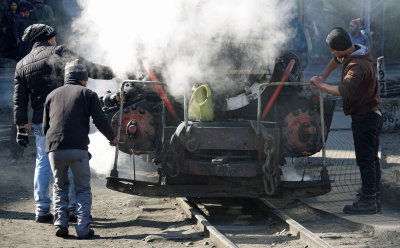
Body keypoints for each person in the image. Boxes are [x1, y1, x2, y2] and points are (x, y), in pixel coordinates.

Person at [13, 23, 115, 223]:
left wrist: (20, 127)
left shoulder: (21, 64)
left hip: (40, 122)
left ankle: (42, 210)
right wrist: (113, 72)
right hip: (65, 117)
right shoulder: (58, 52)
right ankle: (71, 210)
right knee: (68, 164)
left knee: (42, 162)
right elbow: (87, 68)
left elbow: (20, 99)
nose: (56, 40)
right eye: (53, 37)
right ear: (48, 37)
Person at [310, 27, 382, 214]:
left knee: (366, 160)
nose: (333, 54)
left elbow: (344, 91)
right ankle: (373, 196)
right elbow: (336, 61)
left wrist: (321, 85)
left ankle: (368, 201)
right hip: (371, 115)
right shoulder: (357, 50)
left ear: (338, 49)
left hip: (365, 117)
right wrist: (323, 76)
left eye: (332, 50)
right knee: (372, 159)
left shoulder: (357, 66)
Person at [43, 59, 118, 238]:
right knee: (82, 188)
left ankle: (60, 224)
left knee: (59, 187)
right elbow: (100, 120)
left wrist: (54, 145)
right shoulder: (88, 94)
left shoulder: (51, 95)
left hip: (54, 148)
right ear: (83, 78)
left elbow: (46, 127)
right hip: (78, 149)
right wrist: (112, 138)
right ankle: (83, 229)